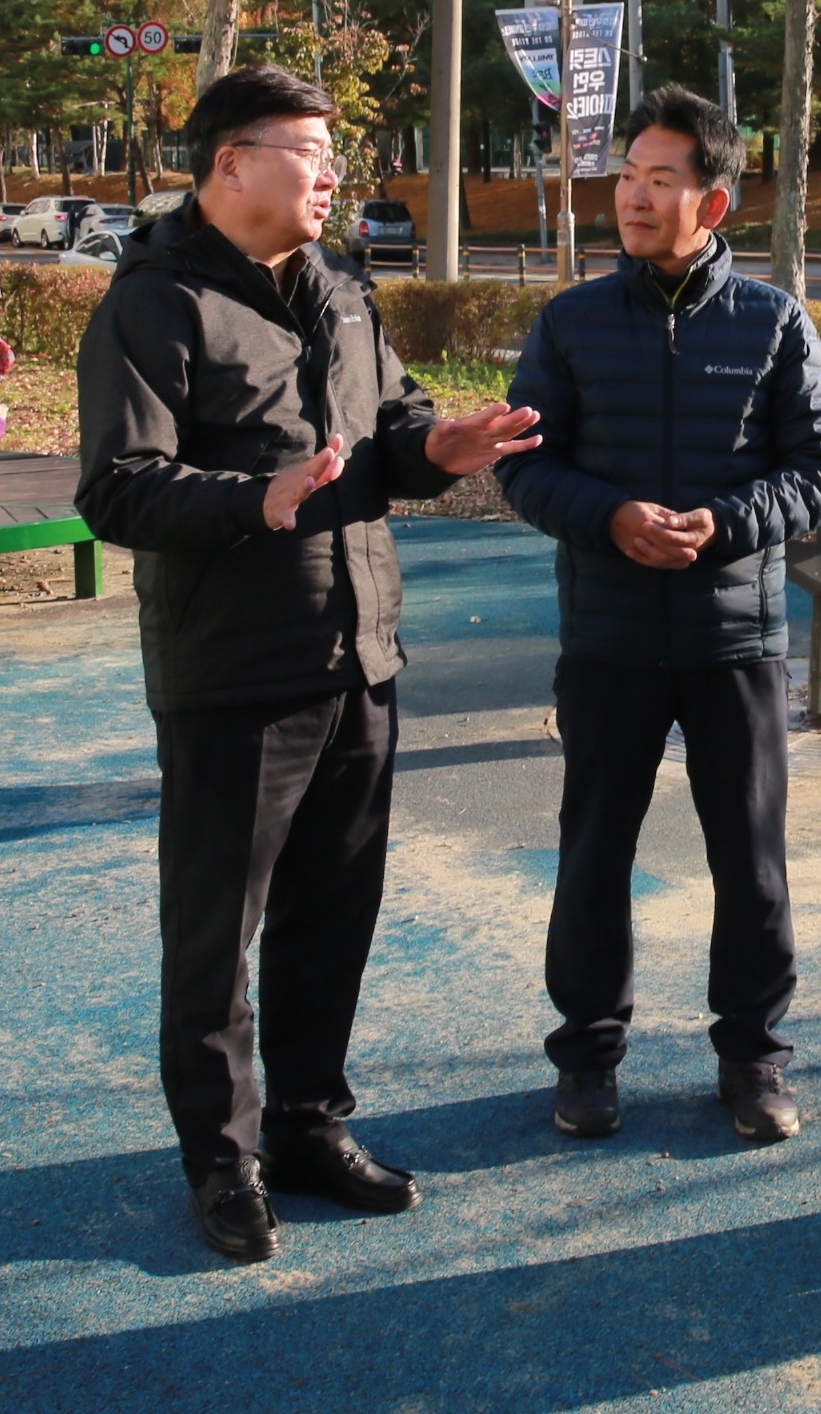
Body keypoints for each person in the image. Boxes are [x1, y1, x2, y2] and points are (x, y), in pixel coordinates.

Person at [77, 66, 539, 1263]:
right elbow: (119, 486)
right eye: (309, 149)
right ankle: (222, 1161)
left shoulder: (341, 286)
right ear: (229, 162)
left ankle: (307, 1124)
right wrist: (254, 499)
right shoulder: (154, 302)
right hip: (235, 669)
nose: (333, 170)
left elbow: (392, 431)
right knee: (215, 933)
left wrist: (443, 444)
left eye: (339, 149)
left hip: (359, 652)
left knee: (335, 913)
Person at [495, 86, 821, 1145]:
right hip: (606, 640)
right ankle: (589, 1056)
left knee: (750, 859)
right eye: (628, 176)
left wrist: (724, 522)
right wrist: (611, 519)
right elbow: (524, 468)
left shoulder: (775, 321)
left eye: (662, 179)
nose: (635, 197)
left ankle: (754, 1055)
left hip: (731, 638)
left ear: (716, 200)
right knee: (593, 850)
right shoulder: (569, 321)